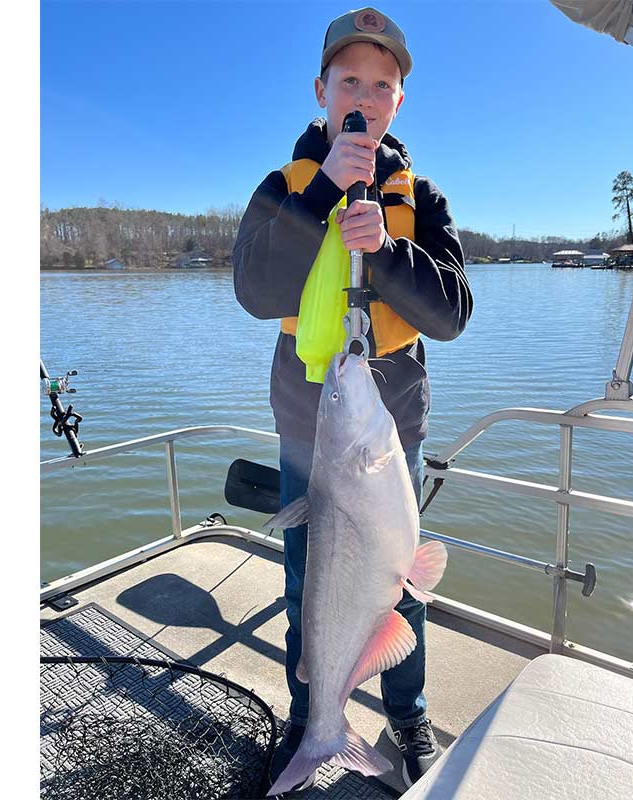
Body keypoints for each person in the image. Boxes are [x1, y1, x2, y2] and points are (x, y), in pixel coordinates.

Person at [232, 6, 472, 790]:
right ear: (322, 91)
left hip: (388, 430)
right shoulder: (284, 187)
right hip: (310, 427)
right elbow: (256, 290)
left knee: (399, 580)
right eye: (349, 81)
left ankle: (407, 713)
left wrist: (390, 252)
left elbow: (452, 314)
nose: (364, 95)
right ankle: (315, 716)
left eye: (382, 83)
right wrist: (318, 200)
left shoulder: (422, 197)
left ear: (398, 100)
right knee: (308, 577)